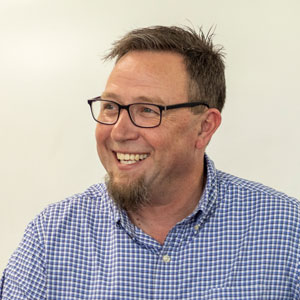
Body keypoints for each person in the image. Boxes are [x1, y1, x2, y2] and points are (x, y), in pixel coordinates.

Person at [1, 25, 299, 300]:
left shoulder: (287, 232)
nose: (119, 131)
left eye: (146, 110)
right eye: (110, 107)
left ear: (204, 127)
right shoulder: (51, 236)